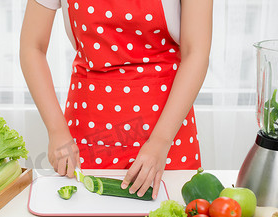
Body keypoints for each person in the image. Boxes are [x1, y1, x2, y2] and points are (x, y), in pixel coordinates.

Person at [20, 0, 213, 199]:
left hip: (168, 127)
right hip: (90, 127)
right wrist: (57, 131)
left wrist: (160, 141)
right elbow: (32, 47)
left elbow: (196, 53)